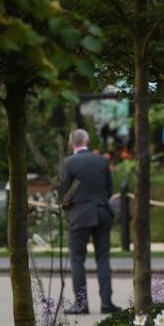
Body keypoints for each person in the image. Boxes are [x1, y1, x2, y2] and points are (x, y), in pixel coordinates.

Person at [60, 129, 120, 315]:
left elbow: (63, 194)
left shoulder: (68, 163)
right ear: (88, 141)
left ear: (71, 143)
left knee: (77, 259)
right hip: (102, 211)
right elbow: (110, 189)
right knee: (103, 258)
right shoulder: (102, 161)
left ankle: (81, 304)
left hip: (80, 214)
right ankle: (107, 303)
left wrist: (69, 209)